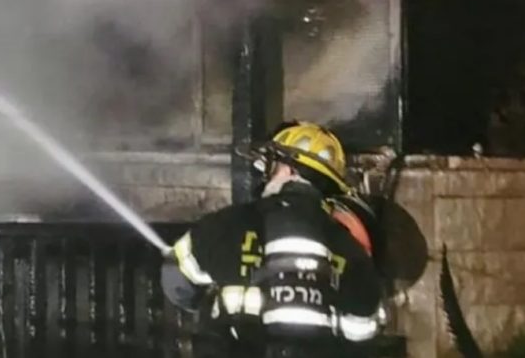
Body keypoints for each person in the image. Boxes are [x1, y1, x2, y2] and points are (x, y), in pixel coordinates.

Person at [161, 121, 385, 358]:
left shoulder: (226, 224)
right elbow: (362, 332)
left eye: (271, 166)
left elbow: (176, 282)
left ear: (289, 170)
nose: (265, 175)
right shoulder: (350, 250)